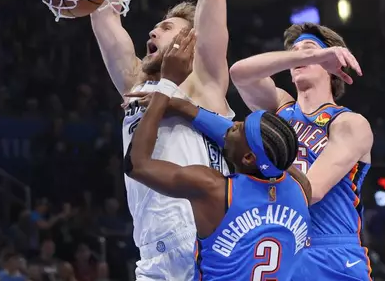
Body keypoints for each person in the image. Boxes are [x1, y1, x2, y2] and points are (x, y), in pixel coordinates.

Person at [90, 0, 231, 279]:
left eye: (166, 27)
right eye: (154, 27)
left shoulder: (205, 81)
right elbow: (104, 14)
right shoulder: (136, 83)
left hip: (207, 241)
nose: (152, 31)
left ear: (191, 41)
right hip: (153, 250)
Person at [125, 29, 311, 280]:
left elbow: (136, 165)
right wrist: (184, 108)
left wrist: (166, 86)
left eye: (237, 128)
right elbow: (266, 151)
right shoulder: (300, 186)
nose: (230, 126)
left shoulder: (213, 189)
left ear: (248, 158)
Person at [229, 23, 373, 280]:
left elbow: (312, 191)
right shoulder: (280, 108)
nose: (301, 55)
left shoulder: (348, 123)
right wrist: (306, 55)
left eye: (311, 49)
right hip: (285, 247)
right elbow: (239, 73)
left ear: (332, 66)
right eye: (295, 52)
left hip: (331, 251)